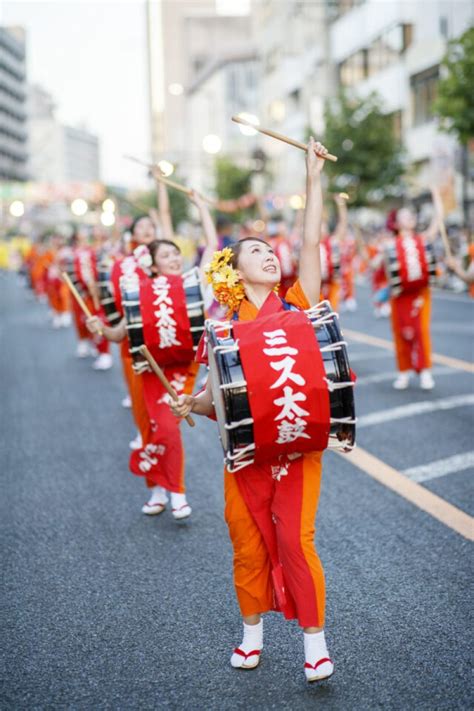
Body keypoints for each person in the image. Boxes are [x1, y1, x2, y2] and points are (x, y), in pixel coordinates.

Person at [169, 139, 335, 683]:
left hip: (294, 444)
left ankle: (315, 643)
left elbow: (310, 242)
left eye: (270, 250)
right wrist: (189, 401)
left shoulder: (297, 306)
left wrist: (313, 178)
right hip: (245, 456)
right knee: (248, 541)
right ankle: (252, 635)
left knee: (296, 540)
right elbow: (219, 399)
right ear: (235, 273)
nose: (269, 255)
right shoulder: (224, 329)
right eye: (256, 252)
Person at [87, 190, 217, 519]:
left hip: (181, 369)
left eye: (177, 254)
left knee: (168, 426)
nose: (175, 259)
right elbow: (121, 333)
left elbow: (212, 248)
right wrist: (101, 327)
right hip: (150, 370)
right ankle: (157, 489)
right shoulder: (140, 294)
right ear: (153, 266)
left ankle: (177, 493)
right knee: (153, 428)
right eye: (167, 256)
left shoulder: (193, 284)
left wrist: (201, 206)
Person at [388, 191, 442, 391]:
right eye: (404, 215)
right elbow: (378, 265)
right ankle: (403, 371)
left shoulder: (423, 238)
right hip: (399, 295)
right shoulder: (390, 244)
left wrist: (437, 198)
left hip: (420, 294)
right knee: (401, 332)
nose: (409, 218)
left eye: (411, 216)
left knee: (421, 331)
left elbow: (437, 221)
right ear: (397, 222)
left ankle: (425, 370)